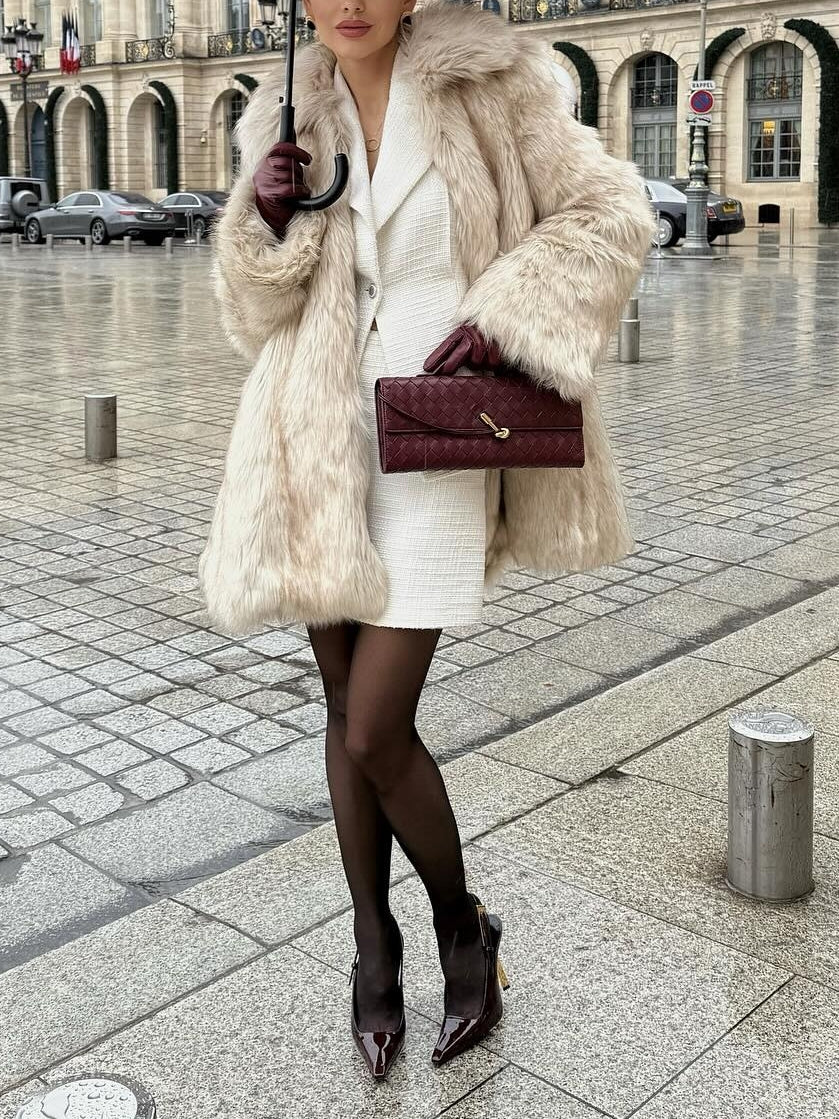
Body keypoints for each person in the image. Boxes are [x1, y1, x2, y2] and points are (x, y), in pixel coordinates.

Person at [198, 0, 654, 1081]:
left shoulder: (493, 82)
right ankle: (373, 945)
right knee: (340, 706)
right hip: (314, 442)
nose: (349, 4)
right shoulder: (280, 107)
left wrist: (506, 311)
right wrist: (264, 226)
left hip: (442, 438)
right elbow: (251, 314)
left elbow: (611, 212)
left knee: (373, 727)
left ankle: (461, 928)